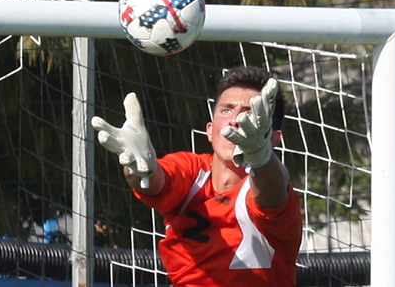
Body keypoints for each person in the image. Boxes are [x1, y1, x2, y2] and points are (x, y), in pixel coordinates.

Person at [92, 66, 302, 286]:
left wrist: (261, 156)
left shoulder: (270, 189)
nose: (236, 119)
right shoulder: (193, 171)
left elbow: (273, 191)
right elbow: (153, 182)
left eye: (249, 113)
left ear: (274, 138)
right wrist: (139, 165)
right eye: (227, 110)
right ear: (210, 130)